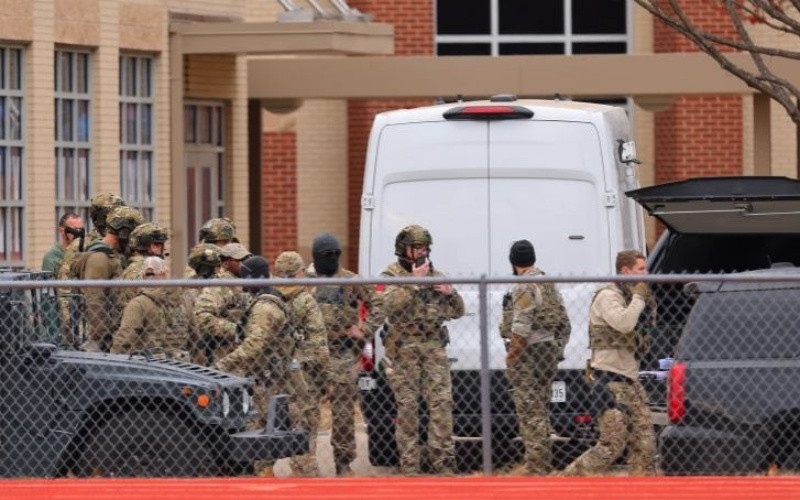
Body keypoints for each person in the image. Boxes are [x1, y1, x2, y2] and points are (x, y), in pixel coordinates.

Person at [562, 249, 656, 476]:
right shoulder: (608, 295)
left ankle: (640, 490)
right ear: (626, 271)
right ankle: (567, 481)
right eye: (641, 269)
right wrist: (640, 297)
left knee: (645, 445)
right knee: (611, 446)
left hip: (631, 380)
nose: (646, 273)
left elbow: (644, 330)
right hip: (610, 380)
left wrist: (645, 301)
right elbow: (623, 323)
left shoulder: (630, 296)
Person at [380, 224, 464, 475]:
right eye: (416, 247)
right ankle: (410, 466)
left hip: (434, 347)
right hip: (405, 348)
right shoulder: (391, 275)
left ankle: (444, 463)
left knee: (441, 404)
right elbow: (389, 306)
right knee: (408, 408)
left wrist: (451, 293)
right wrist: (414, 283)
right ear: (403, 249)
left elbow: (458, 311)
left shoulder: (435, 274)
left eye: (424, 247)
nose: (421, 252)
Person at [306, 232, 382, 476]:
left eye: (335, 255)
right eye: (326, 255)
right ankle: (306, 461)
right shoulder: (305, 281)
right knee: (306, 409)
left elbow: (379, 304)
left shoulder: (350, 280)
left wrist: (365, 329)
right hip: (311, 353)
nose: (332, 259)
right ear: (316, 257)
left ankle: (343, 461)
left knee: (342, 410)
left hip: (342, 352)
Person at [213, 255, 292, 477]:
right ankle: (263, 471)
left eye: (245, 276)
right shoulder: (268, 299)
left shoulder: (264, 308)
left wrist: (223, 364)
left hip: (266, 378)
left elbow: (254, 345)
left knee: (261, 429)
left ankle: (263, 476)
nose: (242, 280)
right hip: (268, 375)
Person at [500, 239, 571, 476]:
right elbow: (565, 323)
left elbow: (520, 329)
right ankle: (543, 464)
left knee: (530, 412)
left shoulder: (524, 286)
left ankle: (536, 468)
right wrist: (557, 349)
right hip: (547, 352)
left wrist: (511, 358)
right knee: (541, 409)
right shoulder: (548, 283)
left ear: (513, 262)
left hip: (529, 355)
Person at [274, 250, 329, 477]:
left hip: (276, 370)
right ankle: (306, 474)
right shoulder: (305, 300)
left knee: (285, 419)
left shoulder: (271, 297)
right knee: (307, 422)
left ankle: (268, 468)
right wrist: (326, 376)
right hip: (305, 374)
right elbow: (319, 342)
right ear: (299, 273)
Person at [74, 205, 144, 352]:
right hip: (101, 339)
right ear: (124, 232)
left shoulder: (112, 256)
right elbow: (94, 299)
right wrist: (104, 336)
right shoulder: (99, 258)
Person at [110, 256, 191, 360]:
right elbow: (195, 337)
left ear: (142, 276)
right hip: (182, 366)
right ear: (164, 274)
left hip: (150, 367)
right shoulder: (184, 301)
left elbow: (125, 340)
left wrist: (113, 358)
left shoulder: (139, 304)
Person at [193, 242, 253, 366]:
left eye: (247, 259)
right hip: (222, 355)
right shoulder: (219, 285)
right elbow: (202, 316)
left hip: (243, 355)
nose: (245, 263)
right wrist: (236, 330)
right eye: (240, 260)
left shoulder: (244, 284)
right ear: (226, 264)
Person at [118, 222, 169, 305]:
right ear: (153, 247)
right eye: (161, 245)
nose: (165, 249)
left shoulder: (134, 266)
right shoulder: (147, 268)